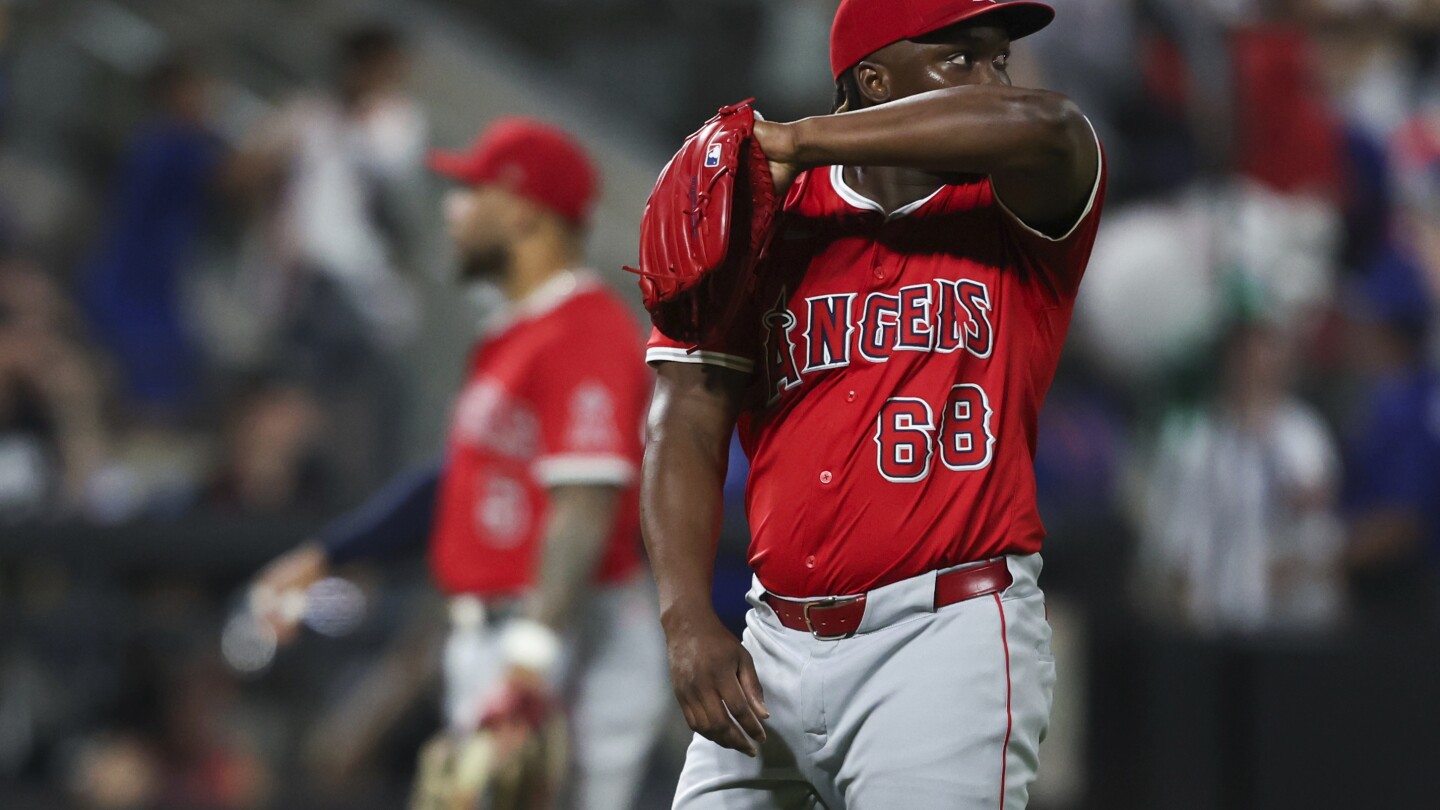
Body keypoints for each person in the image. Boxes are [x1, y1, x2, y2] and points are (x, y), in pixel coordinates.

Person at [642, 1, 1105, 807]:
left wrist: (796, 138)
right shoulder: (762, 223)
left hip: (945, 640)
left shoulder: (1020, 209)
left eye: (997, 59)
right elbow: (686, 413)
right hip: (774, 643)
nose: (991, 79)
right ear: (873, 77)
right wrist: (685, 618)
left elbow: (1049, 124)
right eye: (961, 57)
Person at [249, 119, 668, 810]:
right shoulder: (517, 332)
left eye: (474, 191)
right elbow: (456, 481)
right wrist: (329, 554)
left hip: (564, 635)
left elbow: (586, 506)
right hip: (503, 637)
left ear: (525, 214)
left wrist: (531, 659)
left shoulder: (584, 331)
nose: (455, 208)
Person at [1141, 321, 1345, 634]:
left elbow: (1323, 531)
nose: (1254, 363)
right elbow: (1177, 543)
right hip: (1216, 625)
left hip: (1295, 624)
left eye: (1265, 349)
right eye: (1243, 352)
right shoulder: (1196, 441)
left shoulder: (1306, 436)